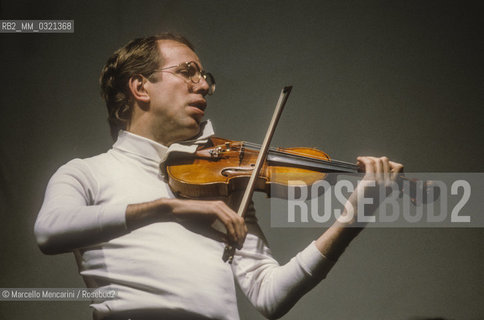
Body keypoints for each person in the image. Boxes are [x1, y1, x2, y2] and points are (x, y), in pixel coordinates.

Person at [34, 33, 404, 320]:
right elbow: (49, 232)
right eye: (186, 72)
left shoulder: (222, 188)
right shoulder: (87, 173)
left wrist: (351, 219)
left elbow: (269, 294)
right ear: (139, 87)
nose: (203, 85)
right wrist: (167, 209)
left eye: (204, 76)